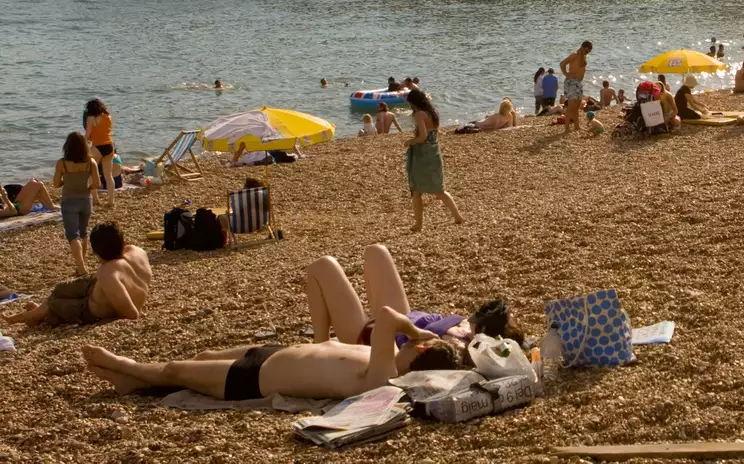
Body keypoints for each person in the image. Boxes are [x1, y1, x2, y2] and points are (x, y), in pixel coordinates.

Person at [81, 305, 458, 400]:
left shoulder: (385, 376)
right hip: (274, 353)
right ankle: (133, 385)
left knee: (176, 370)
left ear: (421, 355)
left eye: (418, 347)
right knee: (203, 356)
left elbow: (389, 317)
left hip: (257, 380)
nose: (413, 343)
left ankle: (126, 366)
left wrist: (415, 330)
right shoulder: (388, 362)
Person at [305, 244, 472, 351]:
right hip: (405, 320)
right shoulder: (475, 333)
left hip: (372, 340)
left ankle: (321, 348)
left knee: (323, 266)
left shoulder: (462, 346)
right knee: (377, 251)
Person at [3, 223, 151, 328]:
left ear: (95, 252)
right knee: (59, 289)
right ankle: (37, 313)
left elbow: (132, 314)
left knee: (55, 305)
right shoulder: (136, 251)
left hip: (90, 307)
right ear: (122, 242)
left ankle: (33, 316)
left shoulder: (109, 274)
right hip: (100, 287)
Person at [404, 91, 463, 232]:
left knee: (416, 190)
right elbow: (432, 133)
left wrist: (410, 142)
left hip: (422, 155)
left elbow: (423, 137)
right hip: (434, 152)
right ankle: (457, 216)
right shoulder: (433, 112)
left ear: (413, 102)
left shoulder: (420, 114)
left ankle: (419, 224)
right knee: (439, 189)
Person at [53, 132, 100, 275]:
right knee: (83, 232)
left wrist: (65, 182)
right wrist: (86, 188)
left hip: (69, 201)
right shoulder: (90, 163)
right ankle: (81, 264)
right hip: (86, 201)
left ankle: (81, 267)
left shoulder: (62, 163)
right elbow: (96, 184)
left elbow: (55, 184)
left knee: (73, 235)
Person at [84, 98, 115, 211]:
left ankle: (96, 199)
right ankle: (111, 201)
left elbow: (87, 135)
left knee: (92, 174)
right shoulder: (108, 117)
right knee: (108, 176)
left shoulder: (91, 118)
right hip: (109, 146)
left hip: (97, 147)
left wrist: (82, 142)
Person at [560, 41, 592, 134]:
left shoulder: (584, 56)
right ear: (582, 47)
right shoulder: (575, 55)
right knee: (571, 106)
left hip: (578, 82)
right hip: (571, 82)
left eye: (589, 51)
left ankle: (577, 126)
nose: (587, 53)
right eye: (586, 51)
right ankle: (566, 128)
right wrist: (566, 74)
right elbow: (562, 64)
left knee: (577, 105)